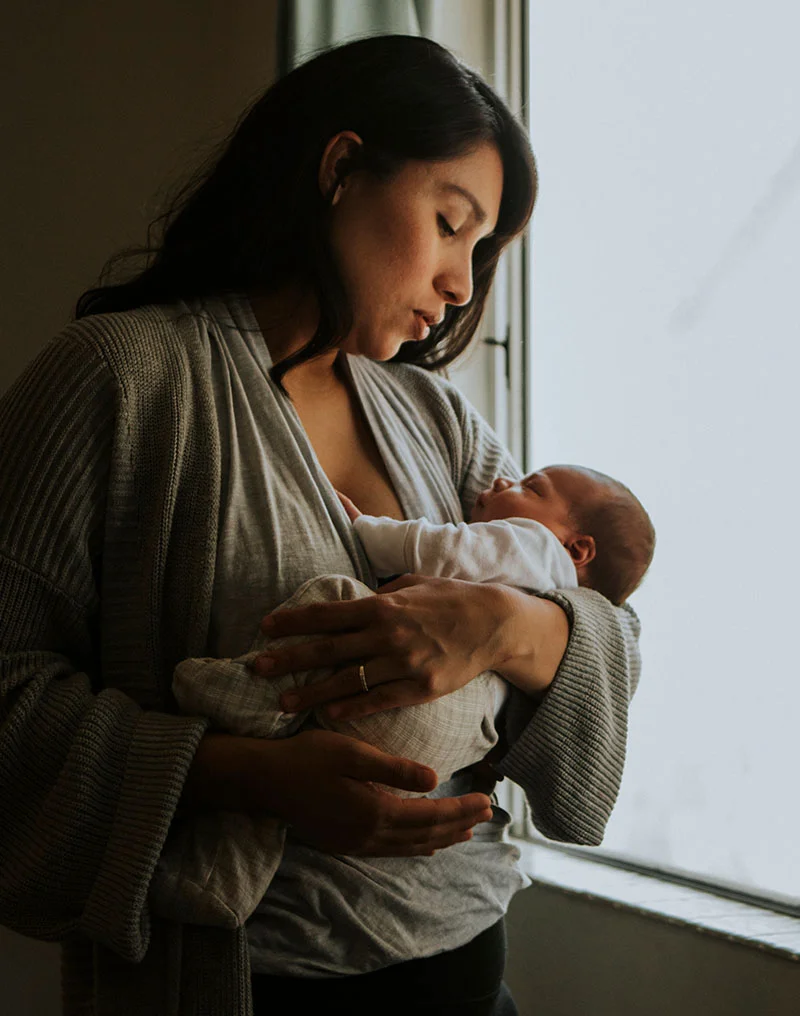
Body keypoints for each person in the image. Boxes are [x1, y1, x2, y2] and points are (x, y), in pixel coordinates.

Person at [0, 34, 642, 1016]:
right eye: (447, 223)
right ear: (339, 170)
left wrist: (506, 628)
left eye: (481, 249)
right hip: (242, 984)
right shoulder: (118, 380)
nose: (463, 284)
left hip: (470, 970)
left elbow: (602, 615)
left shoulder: (434, 418)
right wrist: (242, 773)